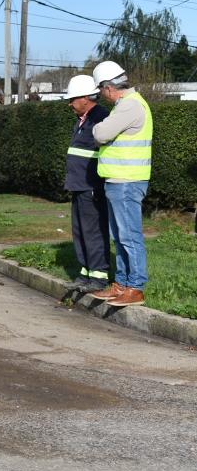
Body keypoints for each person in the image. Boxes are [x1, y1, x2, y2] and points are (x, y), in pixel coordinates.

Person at [88, 61, 152, 307]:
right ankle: (122, 284)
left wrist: (99, 129)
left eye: (101, 90)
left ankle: (135, 287)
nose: (101, 96)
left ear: (107, 87)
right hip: (119, 180)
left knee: (129, 236)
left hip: (126, 181)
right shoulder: (126, 106)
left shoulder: (129, 106)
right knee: (120, 236)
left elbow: (100, 134)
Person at [63, 74, 111, 293]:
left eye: (72, 99)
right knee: (80, 230)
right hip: (78, 183)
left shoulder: (100, 117)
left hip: (91, 185)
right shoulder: (82, 119)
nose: (70, 104)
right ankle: (86, 271)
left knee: (92, 230)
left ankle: (99, 276)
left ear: (85, 98)